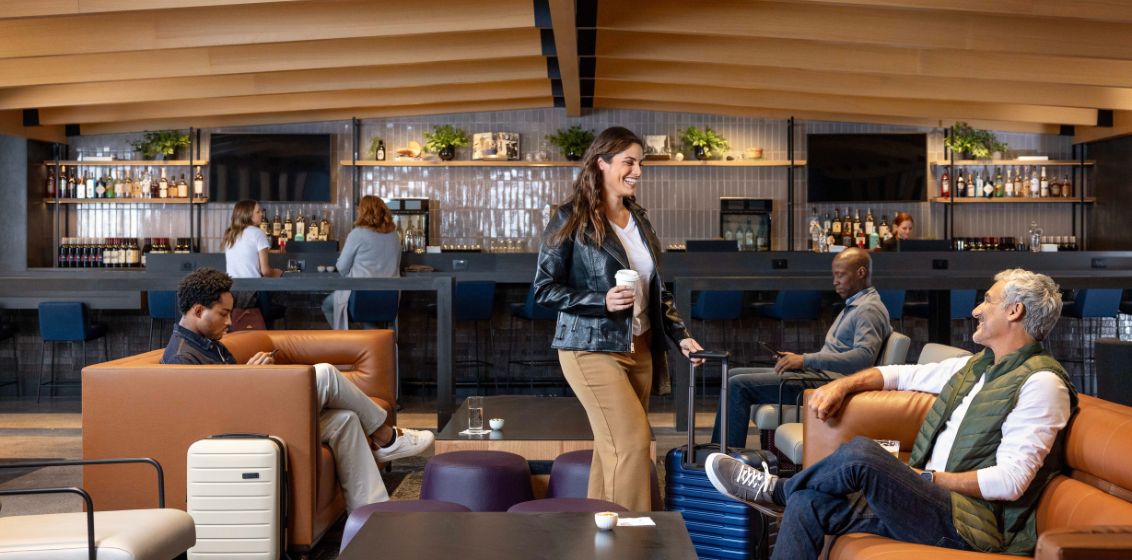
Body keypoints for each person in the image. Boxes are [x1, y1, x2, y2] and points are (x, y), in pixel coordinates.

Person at [705, 268, 1076, 559]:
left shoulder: (1041, 384)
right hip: (931, 502)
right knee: (807, 503)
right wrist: (842, 386)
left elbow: (1010, 482)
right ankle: (788, 494)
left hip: (970, 524)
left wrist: (925, 478)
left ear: (1014, 311)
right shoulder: (977, 365)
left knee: (863, 453)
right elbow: (900, 374)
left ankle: (776, 490)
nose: (976, 309)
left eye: (987, 301)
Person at [162, 267, 434, 511]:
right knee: (325, 373)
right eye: (223, 314)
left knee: (346, 420)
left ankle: (371, 512)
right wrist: (250, 376)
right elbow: (212, 416)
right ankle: (386, 437)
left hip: (253, 417)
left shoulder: (209, 344)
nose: (230, 322)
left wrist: (250, 375)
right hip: (244, 431)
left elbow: (225, 392)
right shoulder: (182, 357)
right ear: (198, 310)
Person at [533, 126, 705, 511]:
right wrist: (601, 300)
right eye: (629, 162)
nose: (637, 172)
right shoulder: (570, 218)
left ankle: (600, 528)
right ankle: (631, 533)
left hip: (639, 347)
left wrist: (680, 335)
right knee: (632, 442)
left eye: (640, 163)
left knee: (614, 447)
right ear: (602, 163)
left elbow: (656, 289)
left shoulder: (639, 218)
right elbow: (544, 289)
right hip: (589, 347)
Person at [711, 247, 891, 449]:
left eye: (840, 275)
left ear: (861, 272)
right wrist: (800, 360)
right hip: (821, 376)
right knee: (732, 374)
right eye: (834, 275)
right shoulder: (856, 304)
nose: (835, 281)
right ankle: (716, 453)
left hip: (829, 384)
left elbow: (863, 359)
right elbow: (839, 354)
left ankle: (722, 458)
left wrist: (805, 360)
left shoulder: (868, 309)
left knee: (738, 385)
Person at [322, 196, 401, 329]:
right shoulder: (395, 236)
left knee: (328, 306)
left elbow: (342, 267)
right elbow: (397, 263)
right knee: (366, 317)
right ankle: (377, 340)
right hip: (390, 296)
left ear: (363, 212)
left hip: (362, 294)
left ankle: (348, 340)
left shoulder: (357, 234)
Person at [223, 200, 282, 311]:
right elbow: (265, 271)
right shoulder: (258, 233)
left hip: (232, 291)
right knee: (284, 302)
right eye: (258, 212)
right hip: (253, 292)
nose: (261, 214)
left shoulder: (230, 234)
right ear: (248, 214)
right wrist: (278, 272)